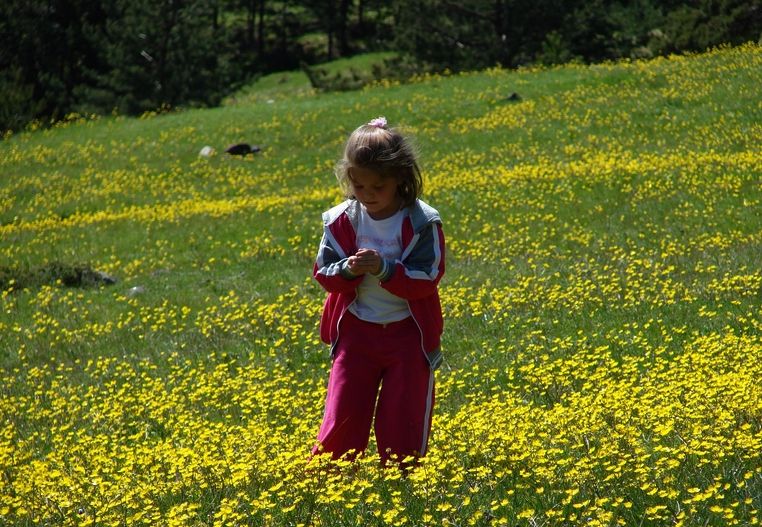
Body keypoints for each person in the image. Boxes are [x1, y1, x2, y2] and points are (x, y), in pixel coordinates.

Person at [311, 116, 446, 466]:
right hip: (357, 332)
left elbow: (426, 278)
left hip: (407, 335)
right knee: (342, 412)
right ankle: (330, 478)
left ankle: (402, 479)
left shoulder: (421, 222)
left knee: (404, 417)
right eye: (359, 187)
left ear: (401, 178)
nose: (368, 196)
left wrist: (385, 269)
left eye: (378, 187)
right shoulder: (341, 220)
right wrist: (349, 270)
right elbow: (324, 272)